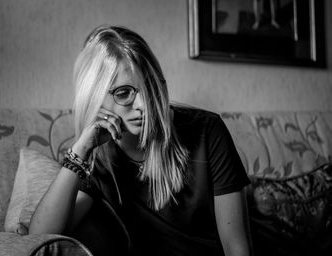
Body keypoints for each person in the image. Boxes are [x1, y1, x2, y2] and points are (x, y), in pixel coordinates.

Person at [29, 25, 251, 256]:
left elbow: (237, 247)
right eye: (124, 93)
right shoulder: (97, 156)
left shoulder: (207, 131)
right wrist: (81, 149)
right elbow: (40, 238)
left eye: (150, 87)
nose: (144, 106)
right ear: (95, 96)